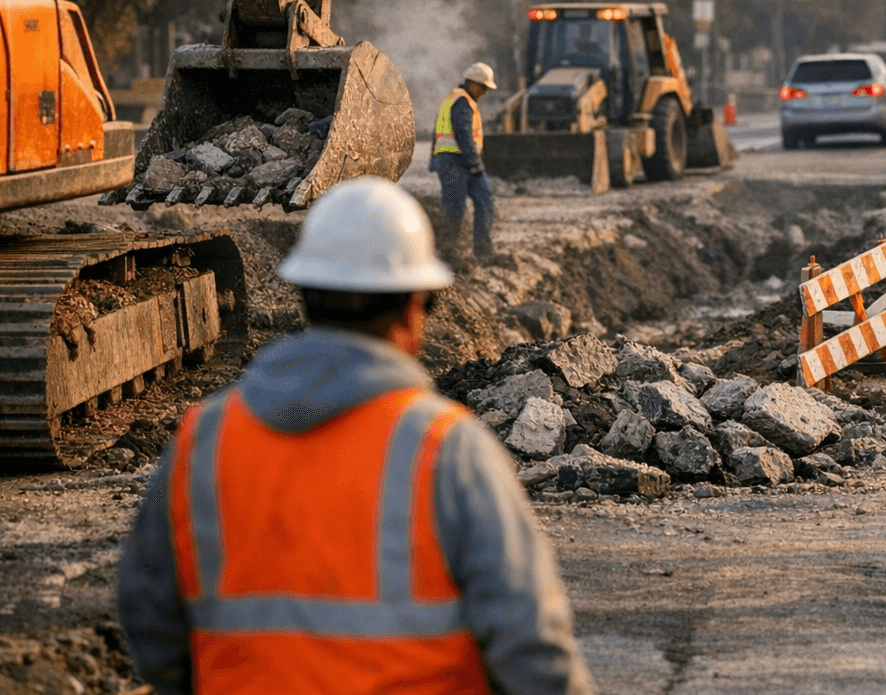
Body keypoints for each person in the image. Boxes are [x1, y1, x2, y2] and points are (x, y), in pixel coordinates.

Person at [116, 177, 594, 695]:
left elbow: (148, 614)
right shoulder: (446, 449)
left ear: (303, 301)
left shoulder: (205, 439)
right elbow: (532, 647)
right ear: (415, 310)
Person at [432, 62, 497, 258]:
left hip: (460, 161)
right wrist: (475, 162)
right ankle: (449, 250)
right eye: (484, 88)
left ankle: (482, 249)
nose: (484, 93)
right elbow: (463, 134)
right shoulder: (461, 102)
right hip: (455, 162)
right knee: (456, 206)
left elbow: (438, 131)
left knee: (484, 200)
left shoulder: (457, 100)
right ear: (475, 84)